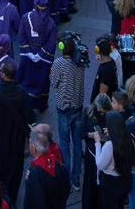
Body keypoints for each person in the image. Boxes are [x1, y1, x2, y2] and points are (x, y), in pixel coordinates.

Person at [0, 60, 33, 206]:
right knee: (17, 170)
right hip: (18, 140)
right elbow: (30, 117)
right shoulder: (23, 93)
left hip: (1, 139)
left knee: (3, 170)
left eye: (1, 71)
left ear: (4, 75)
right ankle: (12, 197)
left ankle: (2, 198)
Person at [50, 35, 85, 192]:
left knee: (64, 144)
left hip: (63, 109)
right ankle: (76, 179)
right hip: (78, 107)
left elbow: (54, 82)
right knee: (77, 143)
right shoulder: (80, 63)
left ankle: (66, 180)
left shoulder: (58, 63)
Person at [18, 0, 57, 111]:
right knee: (42, 82)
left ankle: (24, 105)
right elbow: (51, 43)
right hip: (43, 60)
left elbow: (21, 35)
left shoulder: (26, 17)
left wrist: (28, 52)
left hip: (27, 58)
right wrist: (40, 54)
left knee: (26, 79)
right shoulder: (51, 23)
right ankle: (41, 105)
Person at [93, 110, 133, 208]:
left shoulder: (109, 145)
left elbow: (100, 165)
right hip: (123, 180)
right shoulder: (129, 138)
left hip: (110, 183)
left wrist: (97, 143)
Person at [23, 127, 71, 209]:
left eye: (30, 143)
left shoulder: (33, 172)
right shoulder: (56, 161)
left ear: (34, 148)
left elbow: (32, 199)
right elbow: (66, 185)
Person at [90, 37, 118, 102]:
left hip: (97, 106)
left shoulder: (105, 71)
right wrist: (101, 60)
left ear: (98, 50)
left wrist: (94, 107)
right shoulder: (111, 61)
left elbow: (102, 95)